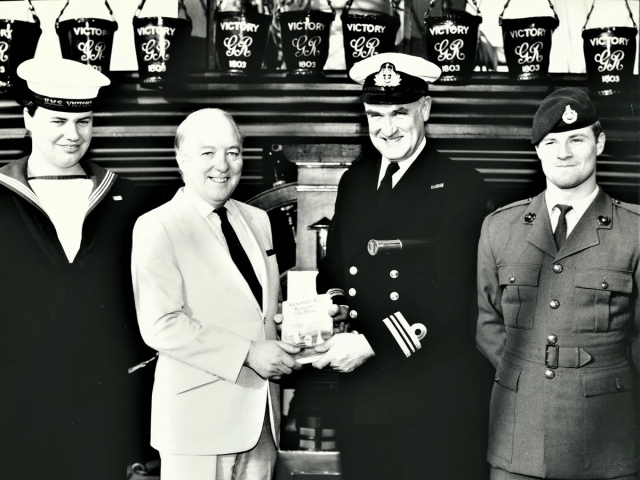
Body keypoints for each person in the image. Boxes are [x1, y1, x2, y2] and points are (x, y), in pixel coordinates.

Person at [314, 53, 488, 480]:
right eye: (375, 114)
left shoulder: (459, 184)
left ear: (425, 108)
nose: (386, 128)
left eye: (399, 113)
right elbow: (334, 269)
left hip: (428, 397)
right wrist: (332, 309)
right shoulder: (354, 181)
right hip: (360, 395)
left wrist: (371, 344)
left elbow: (451, 290)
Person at [476, 87, 640, 480]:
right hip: (519, 433)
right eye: (551, 142)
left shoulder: (634, 231)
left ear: (599, 143)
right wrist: (526, 374)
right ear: (538, 151)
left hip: (607, 433)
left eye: (576, 139)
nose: (563, 152)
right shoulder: (500, 228)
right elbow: (485, 322)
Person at [131, 108, 302, 480]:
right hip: (197, 424)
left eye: (233, 152)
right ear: (182, 158)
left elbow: (257, 307)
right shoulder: (157, 226)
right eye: (208, 153)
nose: (222, 165)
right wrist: (249, 352)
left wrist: (300, 320)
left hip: (261, 420)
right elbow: (161, 325)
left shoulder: (256, 219)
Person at [0, 57, 150, 479]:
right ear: (27, 118)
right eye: (58, 120)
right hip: (13, 410)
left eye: (84, 120)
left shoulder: (128, 202)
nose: (73, 134)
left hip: (100, 409)